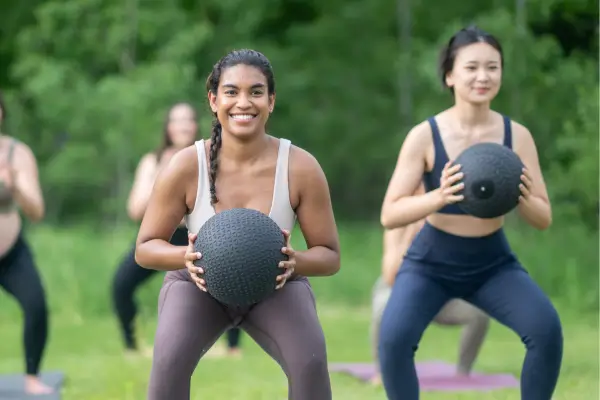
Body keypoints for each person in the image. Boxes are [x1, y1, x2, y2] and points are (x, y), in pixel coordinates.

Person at [134, 49, 341, 400]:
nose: (243, 102)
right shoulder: (186, 165)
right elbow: (145, 247)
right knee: (169, 360)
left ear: (271, 101)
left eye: (256, 92)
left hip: (276, 284)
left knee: (310, 363)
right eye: (231, 92)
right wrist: (185, 256)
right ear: (214, 101)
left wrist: (296, 261)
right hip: (198, 285)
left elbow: (330, 255)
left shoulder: (300, 167)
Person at [378, 26, 563, 399]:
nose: (483, 76)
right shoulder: (425, 135)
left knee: (546, 332)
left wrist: (523, 197)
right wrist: (440, 196)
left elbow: (543, 218)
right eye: (472, 67)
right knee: (394, 341)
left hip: (492, 262)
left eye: (493, 67)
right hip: (430, 261)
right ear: (450, 75)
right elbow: (390, 213)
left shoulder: (517, 136)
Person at [110, 102, 244, 357]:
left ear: (195, 125)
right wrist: (166, 179)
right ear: (168, 127)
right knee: (121, 284)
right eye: (176, 120)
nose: (182, 125)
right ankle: (131, 346)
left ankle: (233, 346)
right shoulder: (153, 161)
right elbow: (135, 209)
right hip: (161, 234)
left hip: (200, 234)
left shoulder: (210, 157)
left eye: (188, 120)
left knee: (229, 280)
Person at [370, 183, 490, 386]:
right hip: (401, 292)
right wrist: (412, 233)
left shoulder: (453, 223)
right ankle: (383, 372)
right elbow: (391, 276)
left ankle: (463, 373)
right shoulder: (397, 224)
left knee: (479, 312)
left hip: (440, 294)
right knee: (383, 307)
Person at [0, 93, 53, 395]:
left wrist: (15, 185)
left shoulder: (16, 154)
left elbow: (36, 212)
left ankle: (32, 376)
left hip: (11, 251)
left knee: (36, 306)